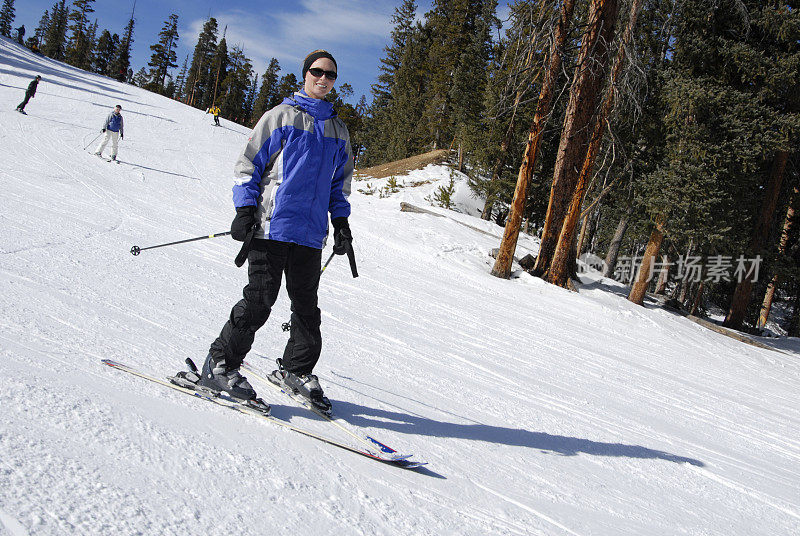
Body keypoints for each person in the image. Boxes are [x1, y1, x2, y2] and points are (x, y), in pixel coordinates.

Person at [198, 49, 353, 414]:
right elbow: (248, 165)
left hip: (310, 235)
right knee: (259, 300)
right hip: (272, 227)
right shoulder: (281, 117)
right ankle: (219, 365)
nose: (323, 79)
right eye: (317, 72)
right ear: (305, 74)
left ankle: (296, 370)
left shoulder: (339, 131)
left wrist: (341, 223)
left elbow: (339, 186)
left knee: (306, 308)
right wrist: (245, 209)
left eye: (330, 75)